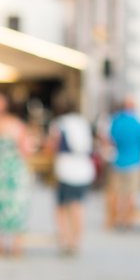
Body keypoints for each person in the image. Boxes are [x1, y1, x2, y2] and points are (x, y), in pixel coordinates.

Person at [0, 92, 32, 255]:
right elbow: (25, 150)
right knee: (17, 206)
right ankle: (16, 246)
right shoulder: (18, 125)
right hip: (15, 171)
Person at [46, 100, 95, 255]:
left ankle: (66, 240)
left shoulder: (60, 124)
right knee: (78, 206)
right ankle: (76, 241)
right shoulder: (83, 123)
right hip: (84, 169)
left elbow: (52, 145)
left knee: (62, 207)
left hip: (67, 169)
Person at [108, 96, 140, 229]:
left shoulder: (116, 121)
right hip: (134, 161)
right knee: (132, 194)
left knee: (119, 194)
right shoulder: (138, 122)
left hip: (118, 161)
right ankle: (129, 220)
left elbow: (111, 138)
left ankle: (119, 219)